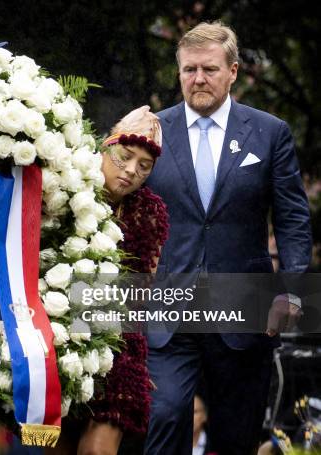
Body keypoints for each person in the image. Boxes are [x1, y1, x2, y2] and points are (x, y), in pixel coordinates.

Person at [144, 21, 312, 454]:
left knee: (236, 435)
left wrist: (291, 292)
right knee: (164, 414)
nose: (198, 79)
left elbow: (292, 219)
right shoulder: (151, 131)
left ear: (233, 71)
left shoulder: (269, 132)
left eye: (210, 69)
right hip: (166, 310)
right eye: (189, 70)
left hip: (243, 310)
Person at [50, 106, 169, 455]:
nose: (131, 171)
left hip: (117, 347)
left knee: (97, 450)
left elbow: (142, 290)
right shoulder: (67, 189)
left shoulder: (150, 212)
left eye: (144, 166)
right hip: (56, 336)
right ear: (105, 147)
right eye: (124, 157)